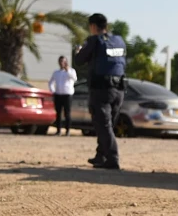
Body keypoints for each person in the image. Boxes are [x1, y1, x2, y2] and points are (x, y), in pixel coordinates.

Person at [74, 13, 127, 170]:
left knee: (103, 125)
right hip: (119, 89)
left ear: (93, 26)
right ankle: (101, 155)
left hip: (101, 89)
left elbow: (79, 60)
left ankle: (112, 158)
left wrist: (79, 51)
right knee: (107, 124)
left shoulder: (94, 40)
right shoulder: (119, 41)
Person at [47, 56, 77, 136]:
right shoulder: (56, 72)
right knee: (58, 113)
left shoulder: (71, 71)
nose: (62, 63)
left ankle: (67, 131)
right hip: (58, 94)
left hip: (67, 94)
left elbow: (74, 78)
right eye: (60, 61)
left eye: (63, 61)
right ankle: (58, 130)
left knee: (67, 113)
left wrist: (67, 70)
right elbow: (51, 82)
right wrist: (53, 91)